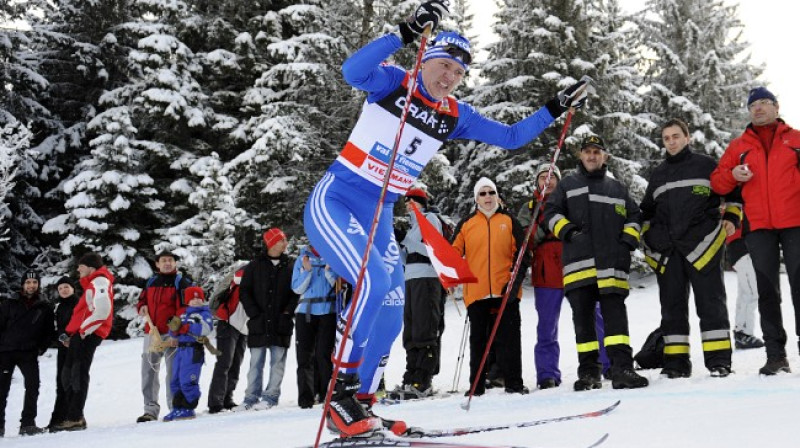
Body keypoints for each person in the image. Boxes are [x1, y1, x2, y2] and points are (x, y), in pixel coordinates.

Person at [302, 0, 588, 437]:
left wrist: (554, 107)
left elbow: (510, 137)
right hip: (338, 198)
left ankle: (362, 400)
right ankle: (338, 393)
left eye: (458, 74)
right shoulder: (394, 82)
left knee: (393, 306)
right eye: (443, 66)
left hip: (380, 212)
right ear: (427, 59)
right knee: (373, 282)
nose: (449, 78)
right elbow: (351, 71)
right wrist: (405, 31)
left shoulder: (455, 115)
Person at [544, 135, 648, 391]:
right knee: (584, 324)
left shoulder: (617, 188)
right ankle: (589, 373)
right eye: (587, 151)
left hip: (611, 266)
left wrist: (626, 242)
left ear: (605, 157)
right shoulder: (567, 185)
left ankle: (622, 369)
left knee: (616, 323)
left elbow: (635, 216)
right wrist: (569, 232)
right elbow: (550, 213)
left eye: (597, 152)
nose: (592, 156)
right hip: (578, 267)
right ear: (581, 156)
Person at [640, 119, 739, 379]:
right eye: (666, 138)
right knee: (672, 308)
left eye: (676, 136)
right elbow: (646, 211)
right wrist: (649, 237)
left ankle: (719, 361)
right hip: (669, 251)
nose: (671, 141)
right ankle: (676, 363)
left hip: (703, 246)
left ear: (687, 138)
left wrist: (732, 217)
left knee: (711, 304)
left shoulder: (705, 165)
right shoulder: (659, 173)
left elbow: (733, 192)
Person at [710, 87, 800, 375]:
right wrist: (732, 175)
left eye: (764, 103)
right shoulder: (739, 146)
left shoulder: (795, 140)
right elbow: (717, 183)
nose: (758, 108)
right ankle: (776, 355)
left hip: (796, 223)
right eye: (753, 105)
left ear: (776, 106)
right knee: (767, 291)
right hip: (758, 227)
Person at [452, 177, 530, 397]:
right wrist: (450, 275)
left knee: (510, 339)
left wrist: (512, 285)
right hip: (476, 292)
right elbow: (453, 253)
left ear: (497, 195)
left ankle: (514, 383)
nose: (487, 197)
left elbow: (523, 255)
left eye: (491, 192)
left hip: (505, 290)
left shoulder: (509, 220)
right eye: (482, 193)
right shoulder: (467, 223)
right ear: (476, 198)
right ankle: (476, 386)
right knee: (478, 340)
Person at [237, 228, 298, 410]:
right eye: (282, 240)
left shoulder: (291, 265)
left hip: (281, 322)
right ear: (271, 243)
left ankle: (270, 396)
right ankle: (250, 397)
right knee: (255, 362)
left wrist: (287, 312)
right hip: (258, 322)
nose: (285, 244)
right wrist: (254, 313)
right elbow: (244, 291)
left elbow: (296, 292)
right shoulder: (255, 265)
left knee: (278, 362)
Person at [52, 253, 114, 431]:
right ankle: (74, 415)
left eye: (81, 266)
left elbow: (102, 311)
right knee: (68, 375)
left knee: (77, 374)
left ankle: (75, 417)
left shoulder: (100, 281)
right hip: (78, 336)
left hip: (87, 335)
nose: (78, 269)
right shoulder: (92, 283)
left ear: (91, 267)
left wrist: (83, 331)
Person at [394, 187, 446, 399]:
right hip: (412, 278)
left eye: (412, 201)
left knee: (425, 328)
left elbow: (433, 250)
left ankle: (423, 379)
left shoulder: (430, 219)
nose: (408, 205)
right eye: (407, 202)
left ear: (422, 203)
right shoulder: (413, 225)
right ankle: (411, 376)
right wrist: (399, 243)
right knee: (412, 330)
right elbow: (409, 257)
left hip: (427, 277)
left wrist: (406, 239)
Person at [135, 250, 193, 423]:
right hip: (152, 332)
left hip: (171, 334)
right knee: (149, 371)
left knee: (173, 372)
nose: (167, 263)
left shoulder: (181, 282)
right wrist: (141, 307)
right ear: (157, 264)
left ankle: (175, 407)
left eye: (170, 260)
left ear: (175, 263)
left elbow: (184, 309)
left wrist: (176, 332)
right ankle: (150, 410)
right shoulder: (151, 281)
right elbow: (142, 300)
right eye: (163, 260)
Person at [0, 270, 55, 437]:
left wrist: (40, 349)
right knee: (2, 389)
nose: (31, 285)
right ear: (23, 284)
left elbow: (48, 332)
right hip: (6, 352)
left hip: (28, 353)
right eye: (28, 283)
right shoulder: (10, 303)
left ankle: (28, 424)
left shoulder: (44, 307)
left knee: (33, 386)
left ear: (38, 285)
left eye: (35, 283)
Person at [291, 245, 338, 409]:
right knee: (304, 357)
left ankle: (327, 395)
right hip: (305, 313)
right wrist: (307, 271)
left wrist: (328, 271)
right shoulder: (302, 259)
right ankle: (306, 398)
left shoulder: (333, 255)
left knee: (324, 355)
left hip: (328, 312)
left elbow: (338, 286)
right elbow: (297, 288)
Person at [163, 286, 213, 421]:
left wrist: (188, 327)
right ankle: (178, 407)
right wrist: (173, 329)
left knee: (188, 380)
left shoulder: (204, 313)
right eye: (193, 298)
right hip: (180, 350)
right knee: (175, 380)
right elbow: (174, 332)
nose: (196, 301)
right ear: (187, 300)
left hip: (193, 350)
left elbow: (206, 328)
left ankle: (188, 407)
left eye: (198, 298)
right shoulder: (182, 313)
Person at [207, 267, 248, 414]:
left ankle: (227, 398)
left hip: (244, 327)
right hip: (228, 322)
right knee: (224, 362)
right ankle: (215, 402)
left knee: (236, 364)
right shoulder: (246, 269)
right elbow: (237, 279)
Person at [47, 276, 79, 430]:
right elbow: (58, 328)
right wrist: (62, 338)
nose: (63, 290)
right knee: (61, 383)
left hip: (77, 348)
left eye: (66, 287)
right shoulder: (59, 307)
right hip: (63, 348)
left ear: (72, 288)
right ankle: (57, 419)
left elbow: (81, 323)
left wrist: (72, 338)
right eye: (60, 288)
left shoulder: (79, 303)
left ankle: (73, 416)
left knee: (73, 382)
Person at [725, 225, 765, 349]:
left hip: (738, 248)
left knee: (744, 292)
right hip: (742, 249)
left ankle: (741, 331)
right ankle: (744, 334)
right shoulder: (738, 208)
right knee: (751, 293)